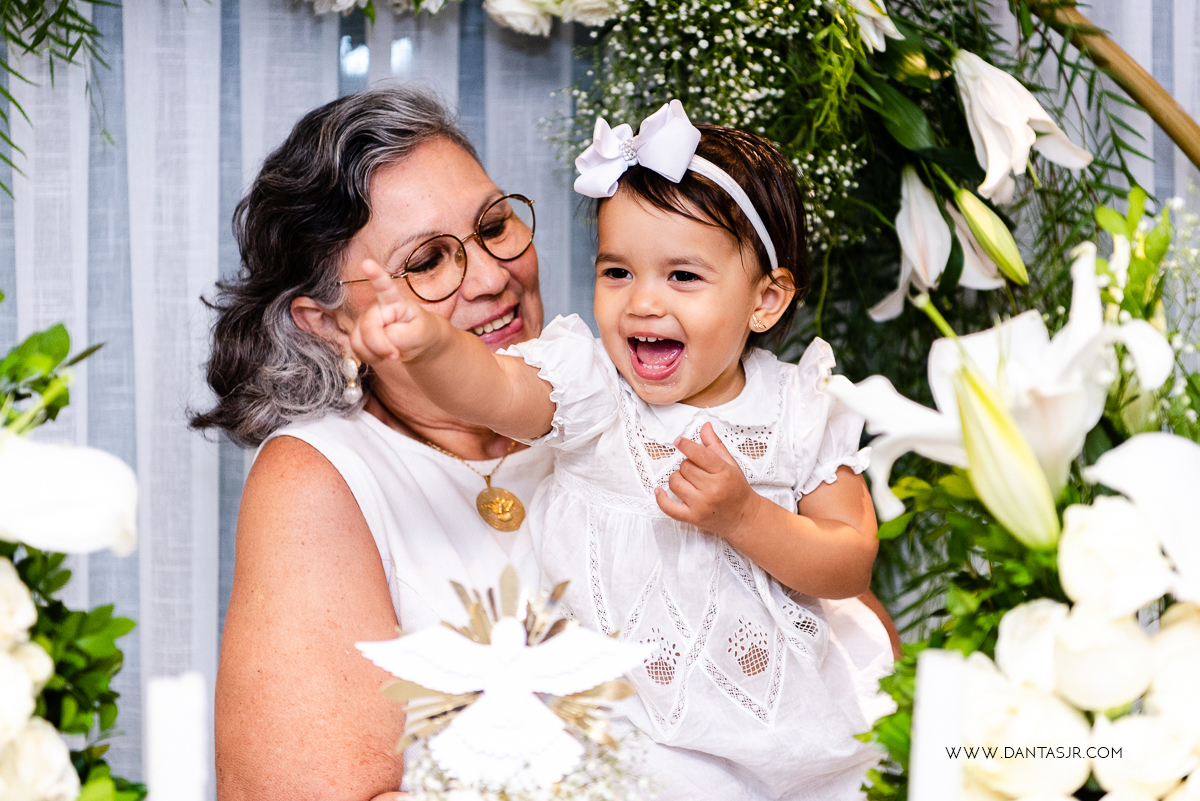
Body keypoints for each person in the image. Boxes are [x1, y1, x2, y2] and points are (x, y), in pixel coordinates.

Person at [350, 100, 896, 799]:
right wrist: (430, 347)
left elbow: (849, 559)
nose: (642, 303)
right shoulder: (591, 388)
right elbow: (492, 388)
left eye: (683, 276)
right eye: (618, 272)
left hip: (782, 717)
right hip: (628, 719)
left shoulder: (800, 408)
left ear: (766, 299)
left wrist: (745, 517)